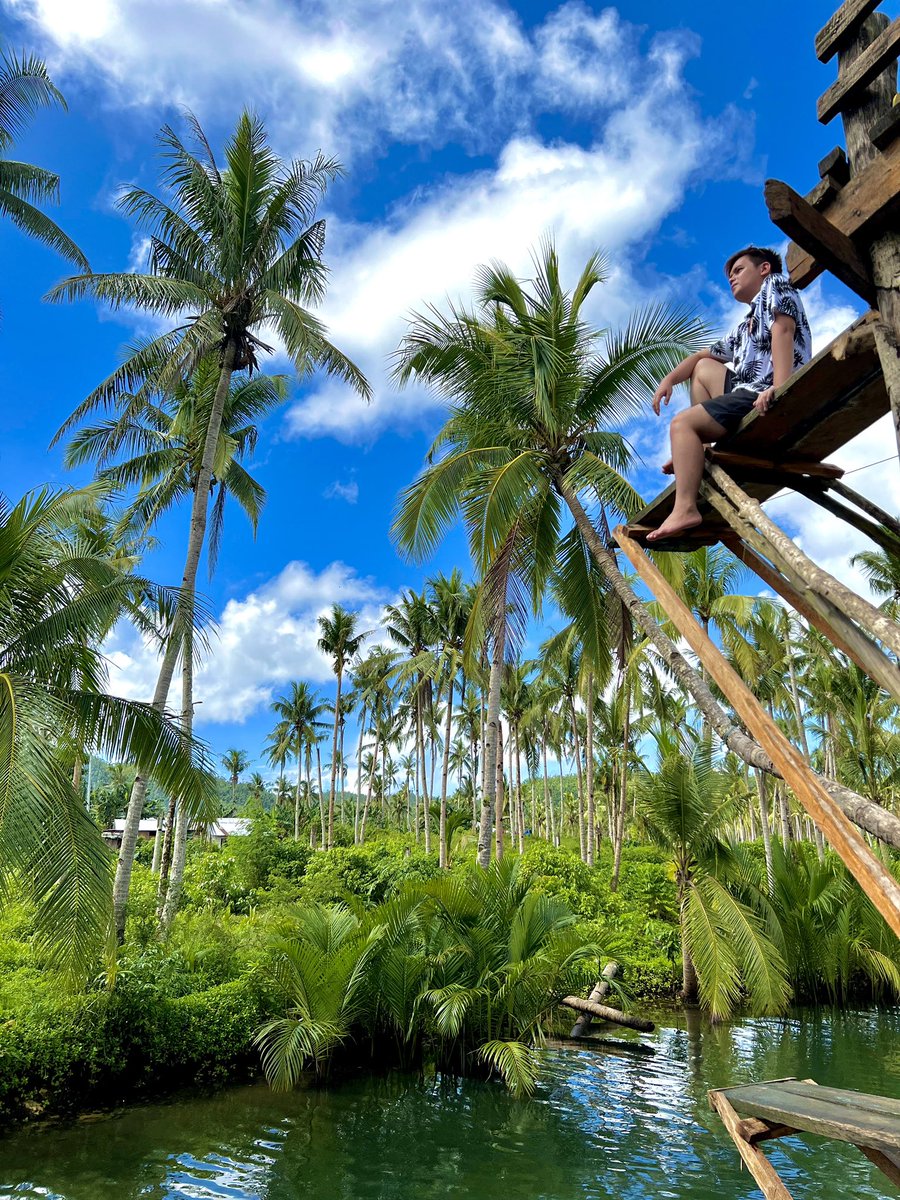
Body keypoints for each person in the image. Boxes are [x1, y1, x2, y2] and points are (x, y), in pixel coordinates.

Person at [646, 246, 811, 543]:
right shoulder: (744, 327)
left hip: (767, 391)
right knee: (703, 367)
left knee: (681, 424)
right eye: (730, 275)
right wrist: (669, 379)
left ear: (763, 269)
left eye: (739, 271)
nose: (731, 279)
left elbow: (783, 331)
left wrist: (781, 388)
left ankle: (685, 508)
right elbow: (700, 356)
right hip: (747, 390)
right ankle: (697, 448)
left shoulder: (776, 284)